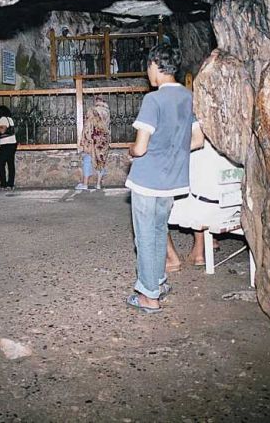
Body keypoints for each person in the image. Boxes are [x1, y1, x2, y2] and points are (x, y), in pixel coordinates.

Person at [124, 43, 204, 314]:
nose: (149, 74)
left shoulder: (153, 99)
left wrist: (131, 151)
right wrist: (171, 150)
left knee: (145, 236)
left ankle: (148, 296)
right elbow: (197, 140)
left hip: (147, 179)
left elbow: (141, 146)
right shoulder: (187, 97)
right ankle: (158, 281)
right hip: (172, 180)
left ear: (156, 66)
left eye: (149, 68)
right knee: (159, 232)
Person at [166, 140, 237, 267]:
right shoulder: (235, 142)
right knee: (203, 194)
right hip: (235, 210)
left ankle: (184, 256)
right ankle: (211, 240)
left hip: (207, 212)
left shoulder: (197, 149)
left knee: (156, 206)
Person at [75, 95, 111, 190]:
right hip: (103, 140)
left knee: (87, 159)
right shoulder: (107, 112)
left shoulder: (92, 111)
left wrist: (83, 141)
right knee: (101, 160)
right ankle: (98, 184)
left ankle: (85, 184)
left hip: (92, 139)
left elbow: (87, 126)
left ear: (96, 101)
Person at [0, 105, 17, 190]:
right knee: (10, 164)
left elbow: (2, 130)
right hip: (13, 143)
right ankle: (10, 184)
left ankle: (3, 184)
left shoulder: (3, 119)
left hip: (6, 144)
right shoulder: (10, 119)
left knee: (1, 164)